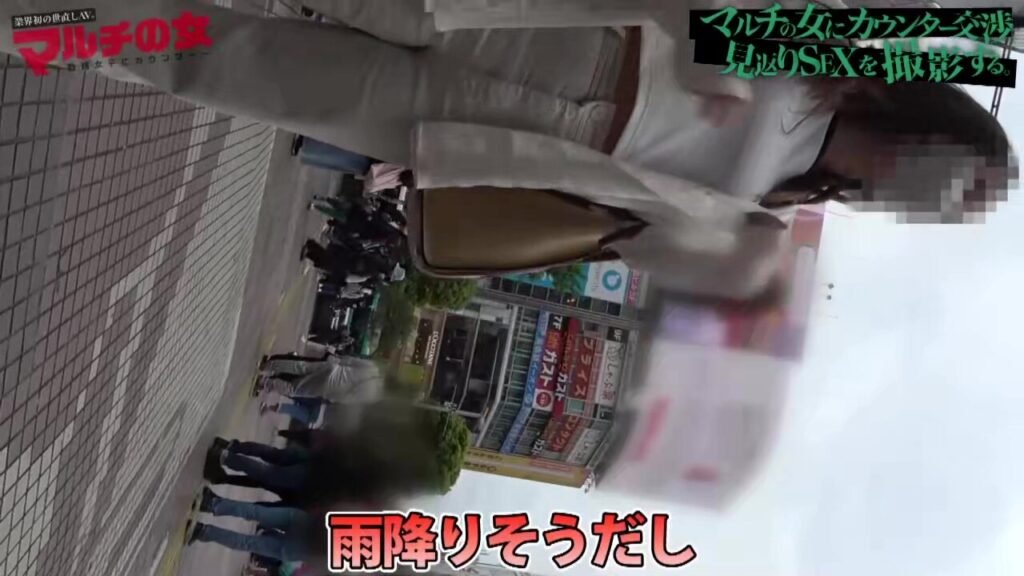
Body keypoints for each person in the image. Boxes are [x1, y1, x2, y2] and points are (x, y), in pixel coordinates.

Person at [1, 0, 1012, 301]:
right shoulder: (831, 48)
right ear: (933, 127)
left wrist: (713, 256)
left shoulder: (775, 214)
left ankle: (30, 21)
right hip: (543, 31)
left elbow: (625, 233)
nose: (921, 195)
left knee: (219, 62)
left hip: (498, 134)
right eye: (948, 179)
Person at [188, 487, 311, 562]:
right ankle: (203, 531)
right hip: (308, 550)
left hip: (310, 525)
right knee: (248, 543)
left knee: (257, 513)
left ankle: (211, 504)